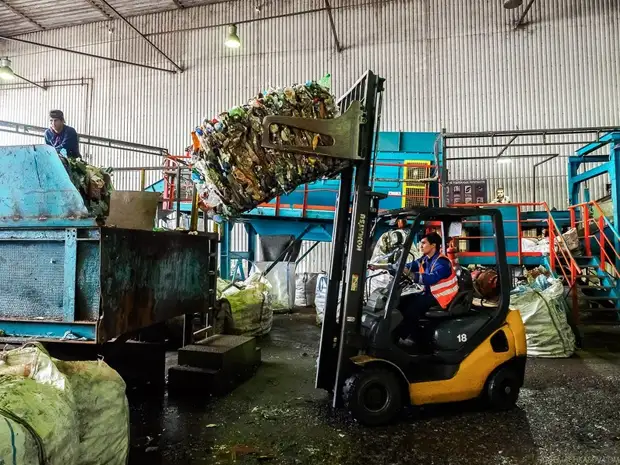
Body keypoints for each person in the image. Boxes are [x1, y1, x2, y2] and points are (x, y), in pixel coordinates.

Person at [396, 231, 458, 345]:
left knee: (412, 309)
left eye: (424, 243)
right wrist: (398, 267)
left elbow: (432, 278)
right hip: (429, 293)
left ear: (433, 245)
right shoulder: (425, 259)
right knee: (401, 302)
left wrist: (412, 275)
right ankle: (412, 335)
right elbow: (412, 265)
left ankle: (400, 337)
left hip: (442, 297)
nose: (421, 246)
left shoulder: (442, 262)